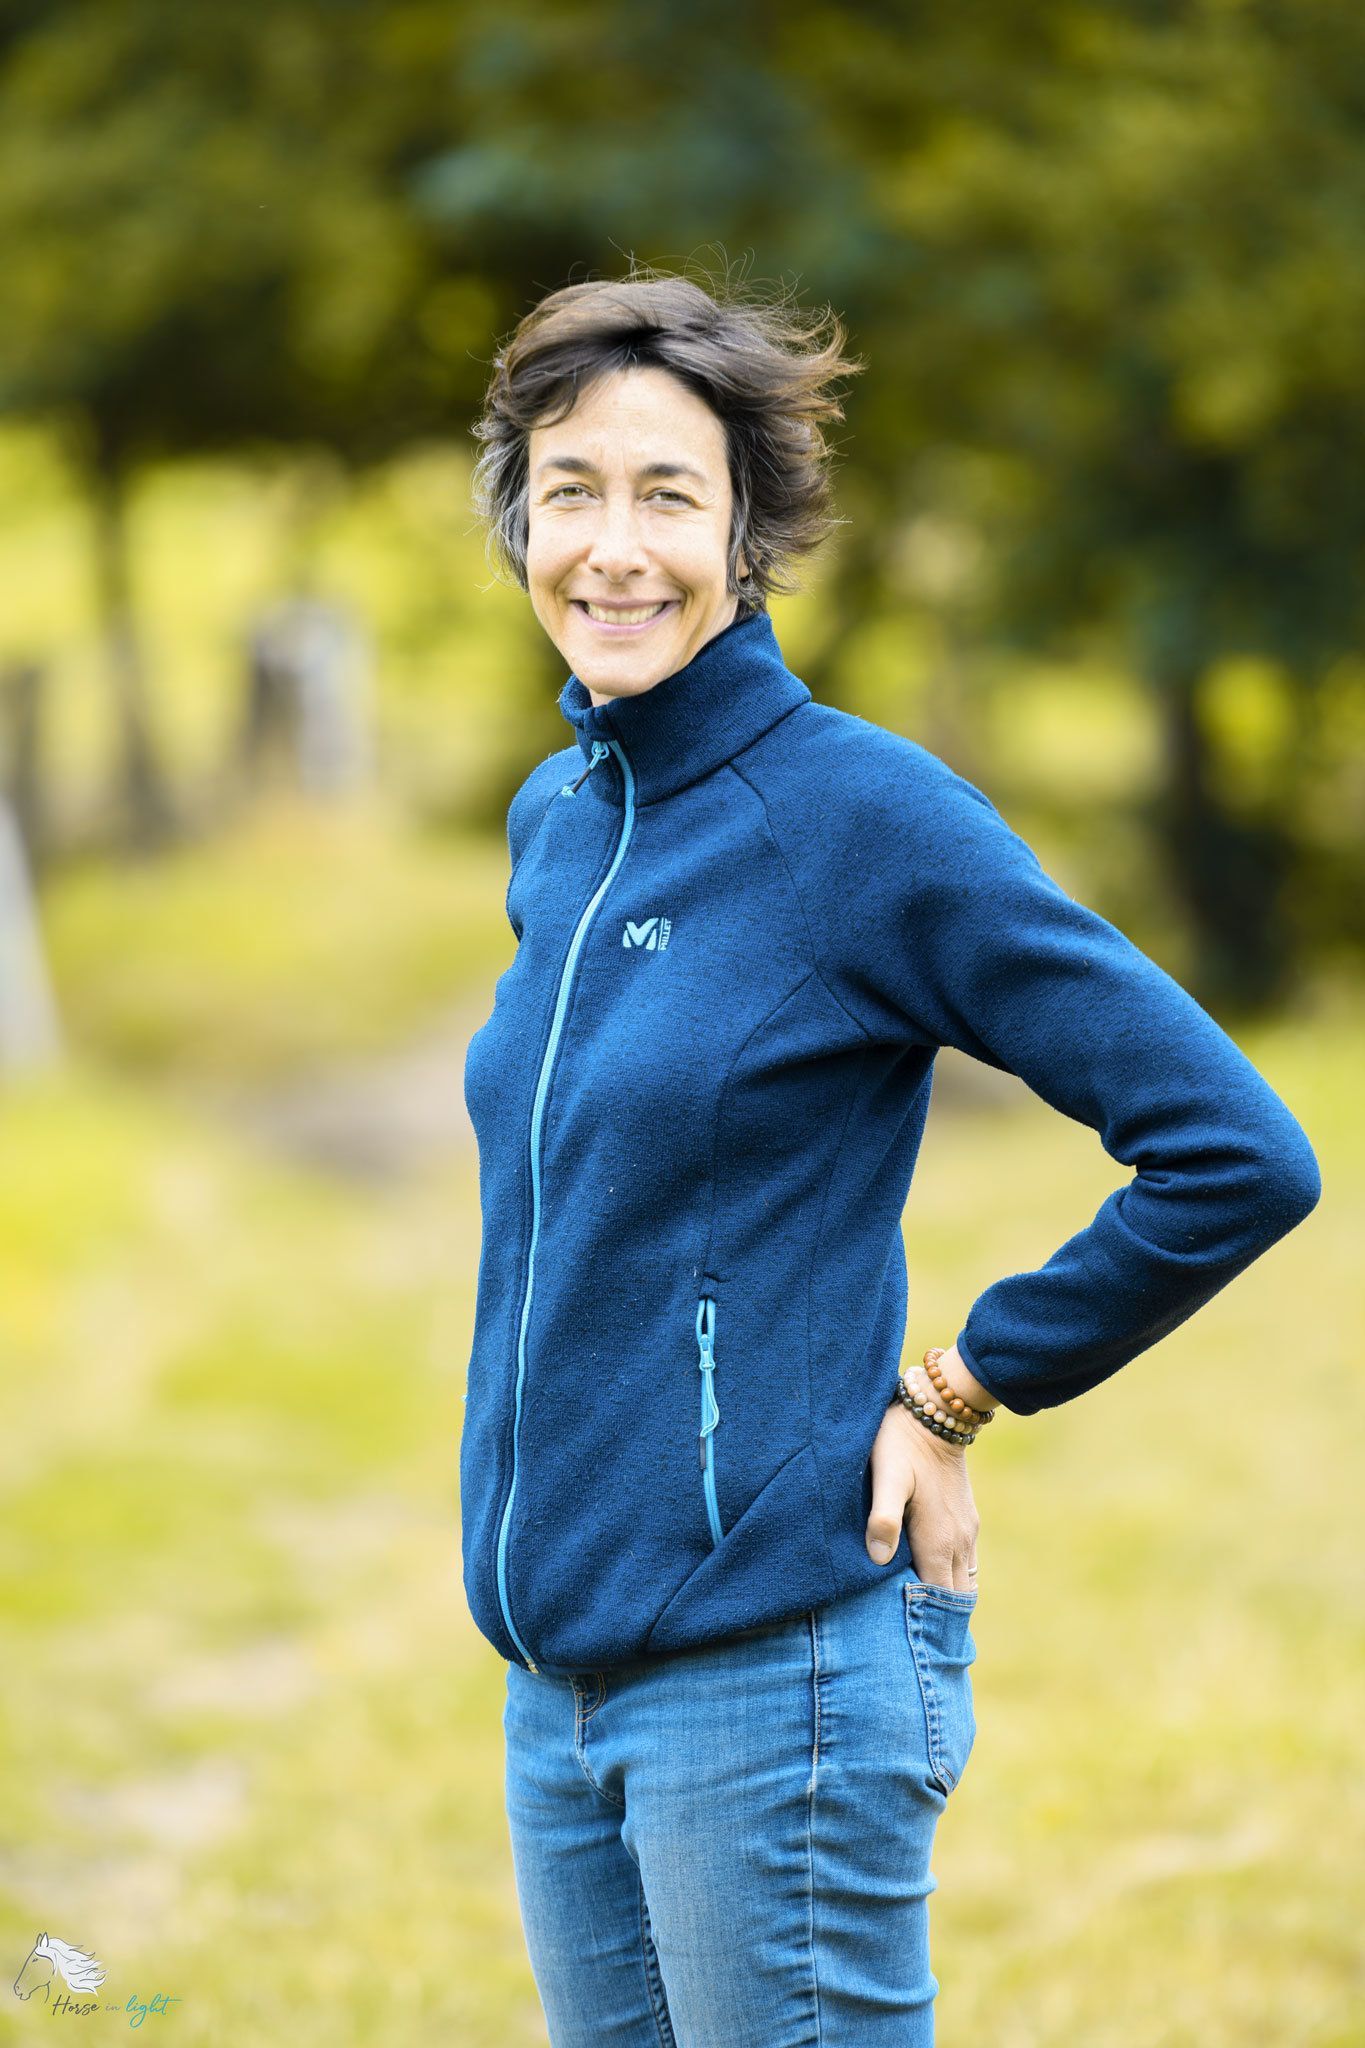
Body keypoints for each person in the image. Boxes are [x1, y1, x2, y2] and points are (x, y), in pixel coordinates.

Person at [459, 265, 1321, 2047]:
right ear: (518, 520)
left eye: (667, 496)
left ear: (749, 532)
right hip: (559, 1694)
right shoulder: (564, 820)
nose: (611, 549)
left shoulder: (859, 819)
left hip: (771, 1684)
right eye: (569, 493)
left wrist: (958, 1387)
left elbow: (1233, 1148)